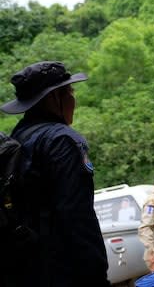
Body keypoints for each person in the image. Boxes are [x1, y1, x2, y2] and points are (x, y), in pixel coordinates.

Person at [0, 61, 109, 287]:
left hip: (25, 263)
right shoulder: (62, 140)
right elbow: (76, 213)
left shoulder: (18, 136)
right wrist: (96, 271)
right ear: (53, 98)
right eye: (69, 91)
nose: (73, 99)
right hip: (63, 267)